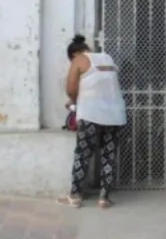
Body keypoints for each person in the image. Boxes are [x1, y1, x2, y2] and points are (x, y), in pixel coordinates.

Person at [57, 35, 128, 209]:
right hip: (115, 115)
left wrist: (73, 102)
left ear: (74, 54)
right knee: (108, 155)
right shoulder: (107, 57)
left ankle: (75, 196)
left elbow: (71, 89)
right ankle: (104, 198)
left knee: (82, 155)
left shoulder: (79, 60)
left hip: (91, 115)